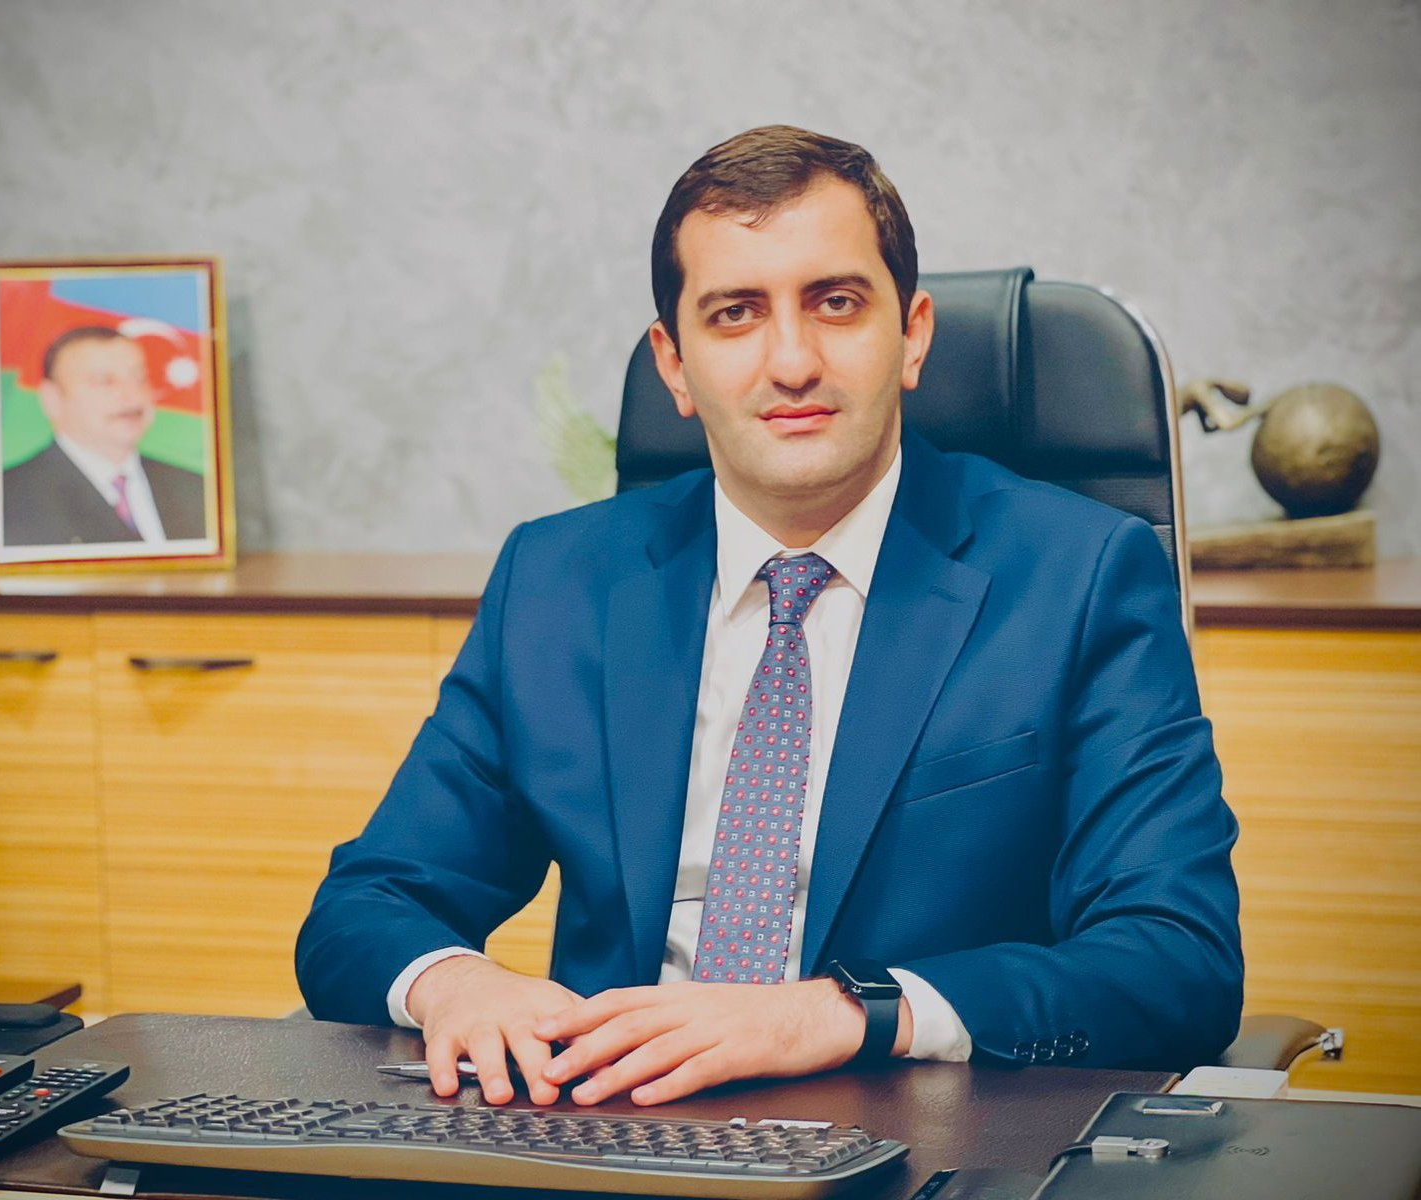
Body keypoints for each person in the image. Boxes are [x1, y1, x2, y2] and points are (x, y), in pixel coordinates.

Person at [297, 125, 1242, 1110]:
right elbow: (369, 901)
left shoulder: (1078, 576)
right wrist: (458, 985)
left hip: (918, 1131)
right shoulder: (559, 580)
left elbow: (1174, 959)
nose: (791, 362)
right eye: (734, 314)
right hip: (605, 1132)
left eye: (835, 303)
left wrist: (839, 1012)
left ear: (912, 333)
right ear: (673, 364)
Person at [2, 326, 206, 547]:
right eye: (105, 381)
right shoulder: (8, 499)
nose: (132, 396)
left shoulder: (196, 488)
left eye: (140, 379)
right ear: (52, 399)